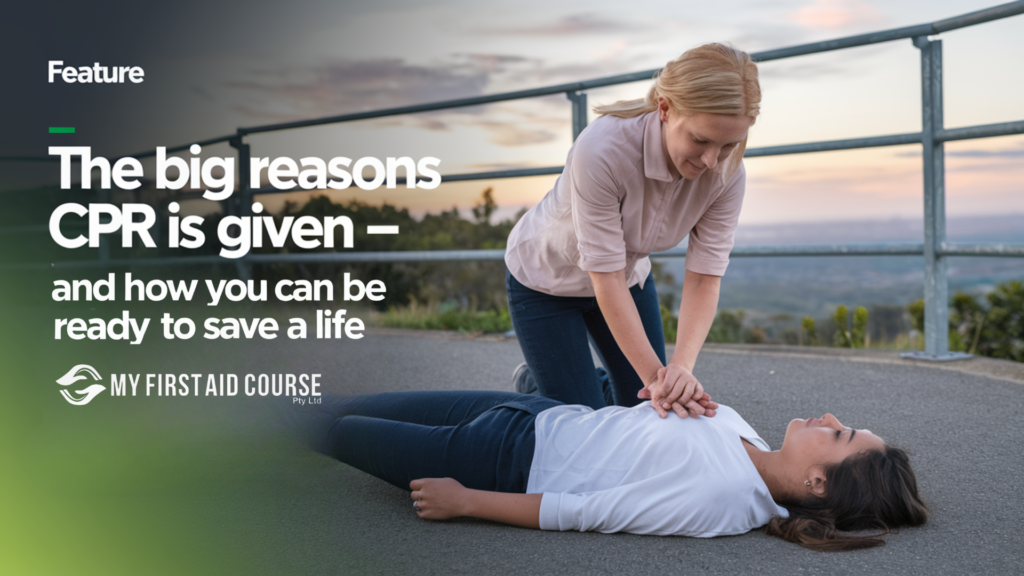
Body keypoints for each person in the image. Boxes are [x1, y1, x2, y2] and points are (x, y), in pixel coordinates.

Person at [299, 390, 928, 551]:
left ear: (819, 483)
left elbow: (583, 514)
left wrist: (468, 501)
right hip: (533, 415)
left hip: (497, 462)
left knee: (328, 431)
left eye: (839, 434)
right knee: (345, 407)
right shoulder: (750, 441)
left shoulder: (725, 498)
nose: (827, 417)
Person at [505, 42, 762, 419]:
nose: (711, 161)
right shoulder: (602, 150)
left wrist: (680, 371)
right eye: (700, 140)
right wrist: (659, 385)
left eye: (728, 145)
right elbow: (603, 277)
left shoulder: (726, 174)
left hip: (627, 281)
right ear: (665, 109)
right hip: (546, 283)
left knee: (646, 414)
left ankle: (582, 383)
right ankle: (539, 385)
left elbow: (705, 278)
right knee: (584, 426)